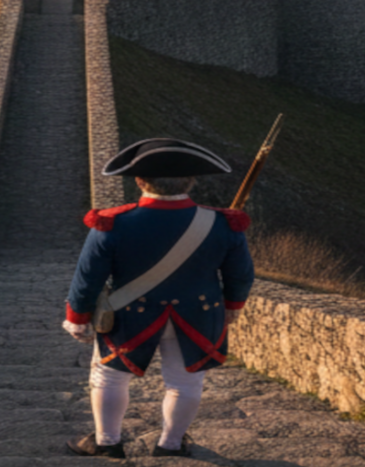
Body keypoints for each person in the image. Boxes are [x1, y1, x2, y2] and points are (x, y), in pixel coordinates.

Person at [63, 137, 254, 459]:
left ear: (139, 180)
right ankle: (170, 445)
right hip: (199, 313)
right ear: (191, 181)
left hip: (131, 313)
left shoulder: (113, 223)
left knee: (109, 377)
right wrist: (233, 307)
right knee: (184, 383)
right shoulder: (224, 224)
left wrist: (77, 317)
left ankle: (107, 443)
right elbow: (240, 275)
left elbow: (88, 278)